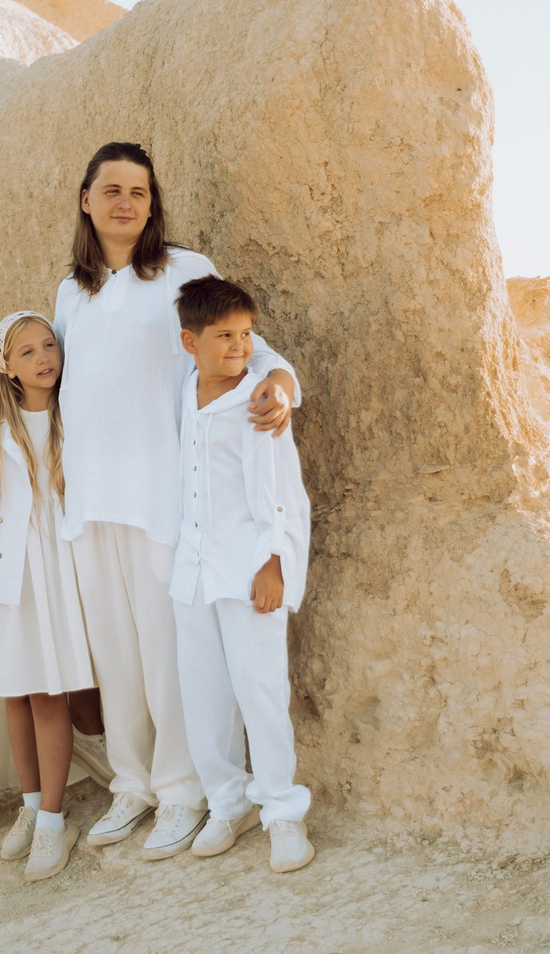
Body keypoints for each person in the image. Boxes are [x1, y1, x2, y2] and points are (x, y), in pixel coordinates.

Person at [52, 141, 301, 860]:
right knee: (117, 655)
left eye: (139, 191)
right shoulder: (71, 291)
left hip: (164, 496)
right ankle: (132, 783)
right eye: (112, 190)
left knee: (171, 660)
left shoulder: (184, 271)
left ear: (153, 203)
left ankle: (184, 791)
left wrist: (283, 387)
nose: (125, 202)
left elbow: (249, 348)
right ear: (86, 201)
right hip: (90, 498)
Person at [170, 275, 314, 873]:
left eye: (247, 334)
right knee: (204, 695)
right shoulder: (188, 390)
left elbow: (280, 491)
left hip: (249, 568)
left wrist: (275, 562)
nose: (240, 347)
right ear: (190, 342)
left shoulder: (259, 401)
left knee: (260, 691)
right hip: (194, 570)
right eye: (225, 336)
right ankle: (228, 803)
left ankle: (283, 811)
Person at [0, 311, 95, 882]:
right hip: (7, 572)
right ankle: (32, 804)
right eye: (28, 352)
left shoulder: (73, 413)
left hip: (54, 569)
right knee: (14, 691)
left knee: (47, 692)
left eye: (49, 345)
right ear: (8, 369)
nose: (44, 358)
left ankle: (55, 820)